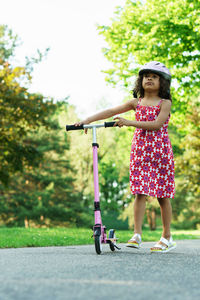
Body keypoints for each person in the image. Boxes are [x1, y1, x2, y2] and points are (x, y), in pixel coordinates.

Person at [75, 61, 176, 253]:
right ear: (140, 80)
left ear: (163, 83)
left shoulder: (165, 103)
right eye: (146, 76)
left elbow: (156, 125)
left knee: (162, 195)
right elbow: (112, 111)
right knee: (140, 192)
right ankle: (137, 234)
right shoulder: (135, 103)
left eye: (154, 76)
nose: (149, 79)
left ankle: (167, 236)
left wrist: (128, 122)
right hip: (140, 152)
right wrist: (86, 120)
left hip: (160, 153)